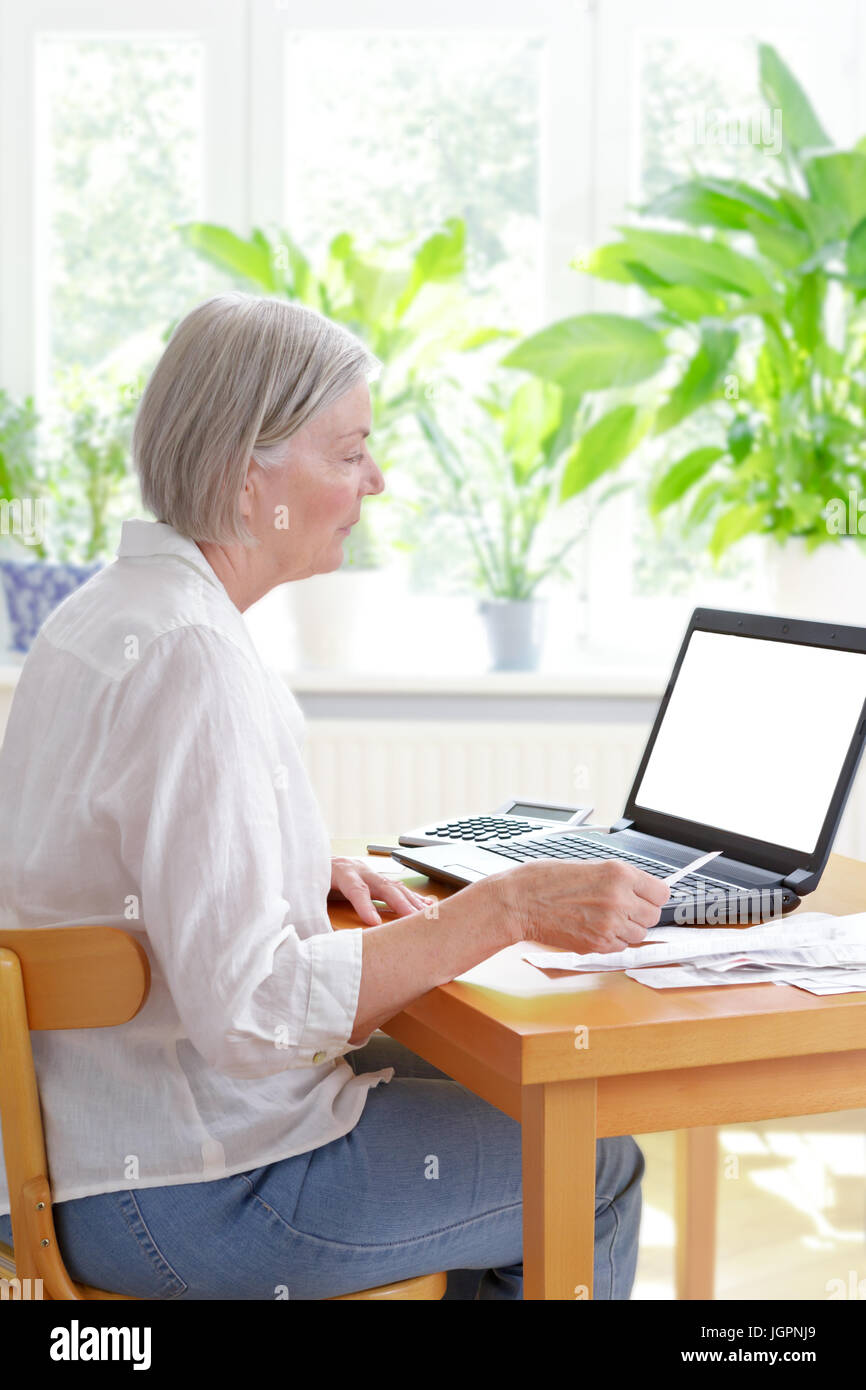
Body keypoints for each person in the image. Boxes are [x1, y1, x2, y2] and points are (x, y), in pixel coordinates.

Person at [0, 293, 669, 1300]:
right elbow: (254, 1011)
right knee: (590, 1168)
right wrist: (509, 905)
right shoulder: (194, 656)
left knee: (508, 1090)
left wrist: (285, 860)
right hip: (187, 1191)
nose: (377, 478)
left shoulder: (107, 613)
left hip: (60, 1152)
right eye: (348, 450)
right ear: (245, 473)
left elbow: (91, 853)